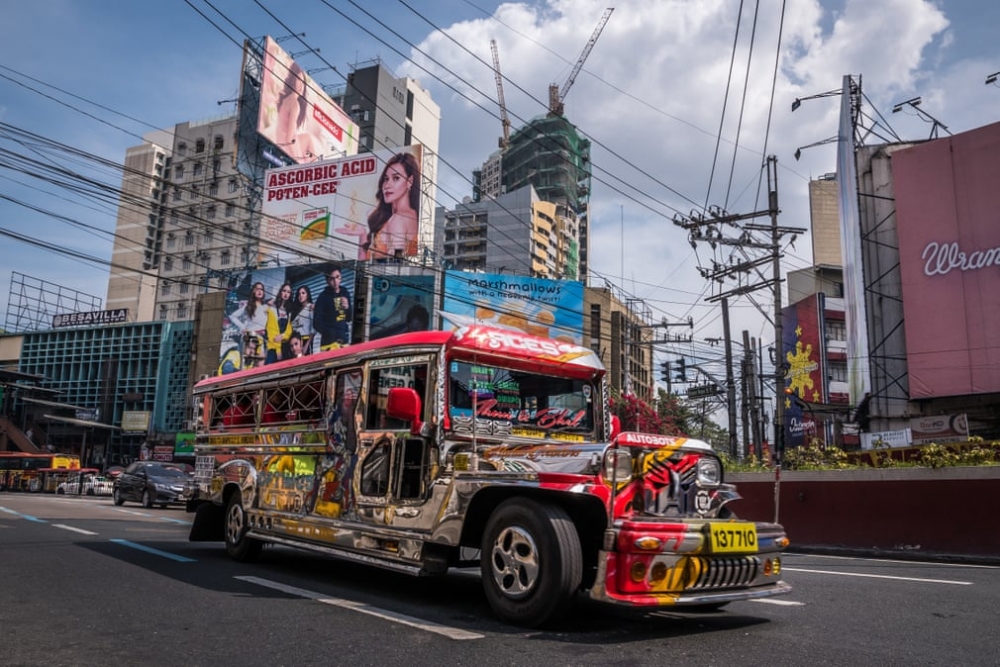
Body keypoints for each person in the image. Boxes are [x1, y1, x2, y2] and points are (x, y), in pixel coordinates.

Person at [359, 152, 420, 260]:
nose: (387, 185)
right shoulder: (412, 214)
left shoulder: (398, 219)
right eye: (386, 179)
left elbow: (395, 262)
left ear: (410, 181)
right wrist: (362, 234)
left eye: (396, 178)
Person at [272, 61, 320, 162]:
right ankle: (312, 169)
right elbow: (289, 138)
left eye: (303, 81)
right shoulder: (294, 104)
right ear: (292, 80)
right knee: (310, 148)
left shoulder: (288, 99)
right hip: (286, 144)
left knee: (308, 138)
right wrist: (297, 159)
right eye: (298, 79)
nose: (301, 84)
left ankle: (312, 166)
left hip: (281, 139)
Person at [231, 282, 270, 365]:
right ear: (253, 292)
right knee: (247, 364)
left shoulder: (266, 307)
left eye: (261, 289)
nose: (259, 291)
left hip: (261, 338)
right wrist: (243, 327)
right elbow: (233, 316)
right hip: (250, 338)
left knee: (260, 364)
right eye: (257, 289)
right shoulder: (249, 306)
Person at [313, 268, 352, 351]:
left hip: (343, 341)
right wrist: (330, 333)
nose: (335, 281)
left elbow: (349, 318)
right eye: (332, 279)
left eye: (338, 277)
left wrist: (347, 307)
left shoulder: (345, 293)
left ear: (341, 277)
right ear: (327, 281)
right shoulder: (323, 297)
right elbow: (316, 322)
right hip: (328, 344)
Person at [265, 283, 294, 364]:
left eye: (288, 292)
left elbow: (289, 331)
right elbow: (271, 331)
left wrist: (283, 336)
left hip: (285, 348)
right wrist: (278, 350)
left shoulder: (289, 312)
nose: (286, 294)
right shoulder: (272, 308)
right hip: (273, 347)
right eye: (284, 291)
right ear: (280, 292)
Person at [290, 284, 315, 355]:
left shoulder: (310, 307)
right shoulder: (295, 310)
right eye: (299, 294)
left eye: (303, 293)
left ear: (308, 294)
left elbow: (313, 328)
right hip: (295, 343)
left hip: (306, 340)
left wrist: (307, 344)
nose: (301, 295)